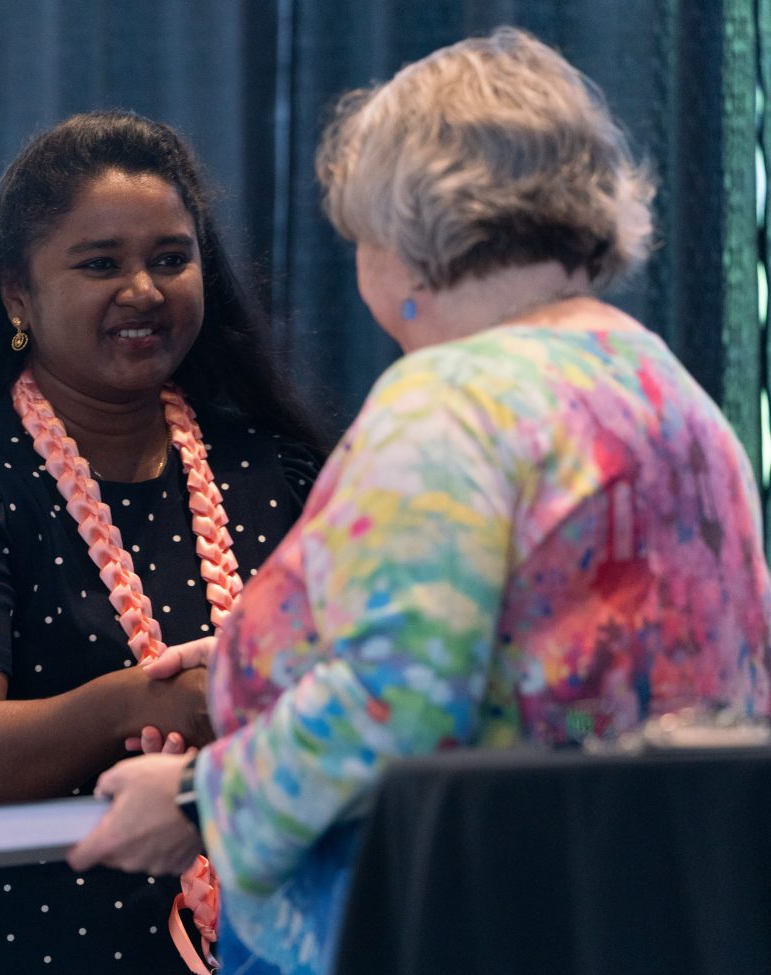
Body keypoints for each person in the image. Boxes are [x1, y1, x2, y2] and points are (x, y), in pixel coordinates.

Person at [66, 27, 771, 975]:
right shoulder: (669, 395)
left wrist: (196, 798)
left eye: (358, 236)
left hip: (449, 925)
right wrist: (272, 643)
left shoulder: (447, 402)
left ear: (407, 239)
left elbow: (400, 698)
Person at [0, 110, 325, 974]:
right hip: (1, 941)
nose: (143, 289)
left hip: (245, 938)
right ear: (18, 293)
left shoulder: (270, 465)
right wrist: (148, 700)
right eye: (101, 264)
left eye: (171, 259)